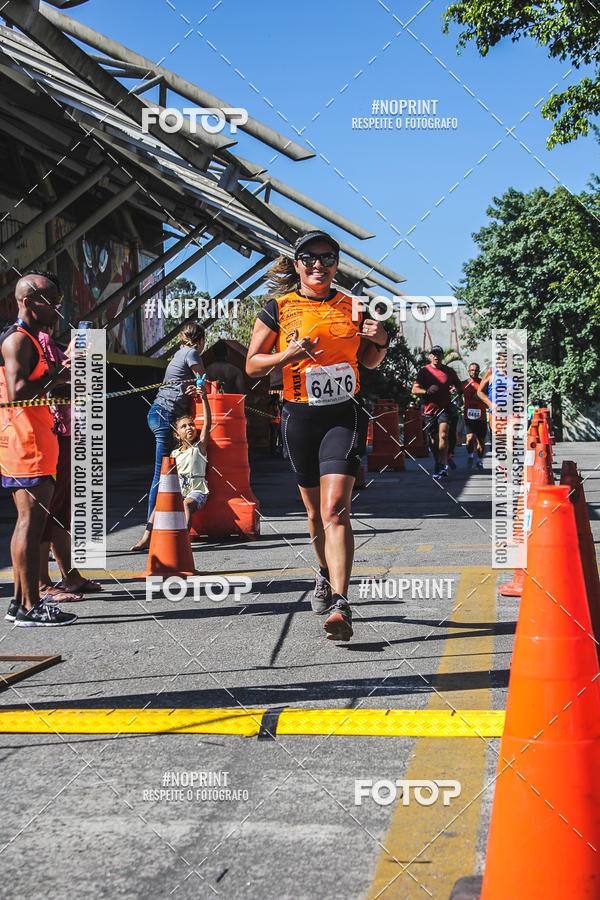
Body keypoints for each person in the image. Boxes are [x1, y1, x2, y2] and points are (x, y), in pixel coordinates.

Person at [246, 230, 389, 642]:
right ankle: (325, 572)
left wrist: (381, 341)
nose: (318, 265)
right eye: (309, 258)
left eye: (327, 258)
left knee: (335, 511)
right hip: (299, 417)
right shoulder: (279, 308)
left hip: (344, 414)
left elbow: (370, 361)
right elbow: (253, 365)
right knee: (313, 514)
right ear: (297, 265)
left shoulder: (353, 306)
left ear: (336, 265)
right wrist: (287, 355)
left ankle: (341, 603)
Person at [0, 270, 76, 626]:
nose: (57, 308)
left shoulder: (32, 338)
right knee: (30, 525)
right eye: (51, 302)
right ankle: (31, 606)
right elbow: (17, 392)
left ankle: (19, 603)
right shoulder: (18, 340)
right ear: (28, 302)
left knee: (27, 523)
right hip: (25, 443)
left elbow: (40, 386)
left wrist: (61, 375)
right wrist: (58, 374)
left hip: (34, 440)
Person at [37, 326, 102, 601]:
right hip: (50, 434)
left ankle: (70, 576)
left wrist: (77, 364)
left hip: (67, 433)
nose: (56, 311)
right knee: (45, 510)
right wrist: (72, 366)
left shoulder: (48, 343)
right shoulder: (33, 341)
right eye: (52, 305)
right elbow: (40, 385)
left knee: (62, 509)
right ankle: (41, 583)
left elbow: (76, 383)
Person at [131, 322, 206, 550]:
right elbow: (204, 379)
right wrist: (200, 386)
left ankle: (158, 528)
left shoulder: (178, 354)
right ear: (201, 341)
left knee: (168, 475)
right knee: (161, 477)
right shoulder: (191, 352)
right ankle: (149, 534)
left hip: (159, 413)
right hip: (166, 415)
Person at [412, 345, 463, 479]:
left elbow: (458, 384)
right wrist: (427, 391)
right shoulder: (424, 371)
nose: (436, 356)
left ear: (442, 356)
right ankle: (438, 462)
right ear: (430, 356)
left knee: (443, 435)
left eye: (438, 354)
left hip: (445, 408)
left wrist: (457, 391)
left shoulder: (449, 371)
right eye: (433, 354)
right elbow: (414, 389)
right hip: (429, 410)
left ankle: (442, 465)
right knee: (433, 440)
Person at [171, 384, 211, 530]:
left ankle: (184, 539)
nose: (189, 427)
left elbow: (207, 424)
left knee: (186, 504)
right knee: (158, 508)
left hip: (197, 492)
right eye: (184, 426)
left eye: (191, 425)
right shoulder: (174, 454)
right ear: (177, 435)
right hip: (180, 492)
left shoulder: (199, 448)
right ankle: (146, 538)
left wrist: (204, 398)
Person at [462, 362, 488, 469]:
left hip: (481, 416)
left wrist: (482, 396)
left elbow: (489, 396)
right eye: (472, 370)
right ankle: (470, 455)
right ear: (468, 371)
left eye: (476, 370)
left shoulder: (483, 384)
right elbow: (457, 393)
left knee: (480, 441)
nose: (474, 372)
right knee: (469, 439)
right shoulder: (464, 384)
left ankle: (479, 460)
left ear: (479, 371)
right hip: (469, 416)